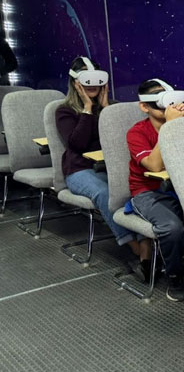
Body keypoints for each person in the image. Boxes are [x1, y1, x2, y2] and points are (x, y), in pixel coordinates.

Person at [56, 56, 148, 260]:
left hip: (109, 168)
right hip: (80, 170)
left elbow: (120, 141)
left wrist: (107, 110)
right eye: (86, 80)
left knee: (137, 189)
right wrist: (87, 109)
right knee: (105, 193)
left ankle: (146, 242)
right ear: (76, 83)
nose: (92, 85)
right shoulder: (65, 111)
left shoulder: (112, 108)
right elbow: (78, 144)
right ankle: (133, 246)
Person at [126, 78, 184, 301]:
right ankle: (175, 275)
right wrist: (169, 128)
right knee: (172, 228)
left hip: (181, 190)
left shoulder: (183, 126)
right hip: (146, 192)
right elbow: (154, 165)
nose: (169, 108)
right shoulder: (136, 133)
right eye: (161, 105)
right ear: (145, 106)